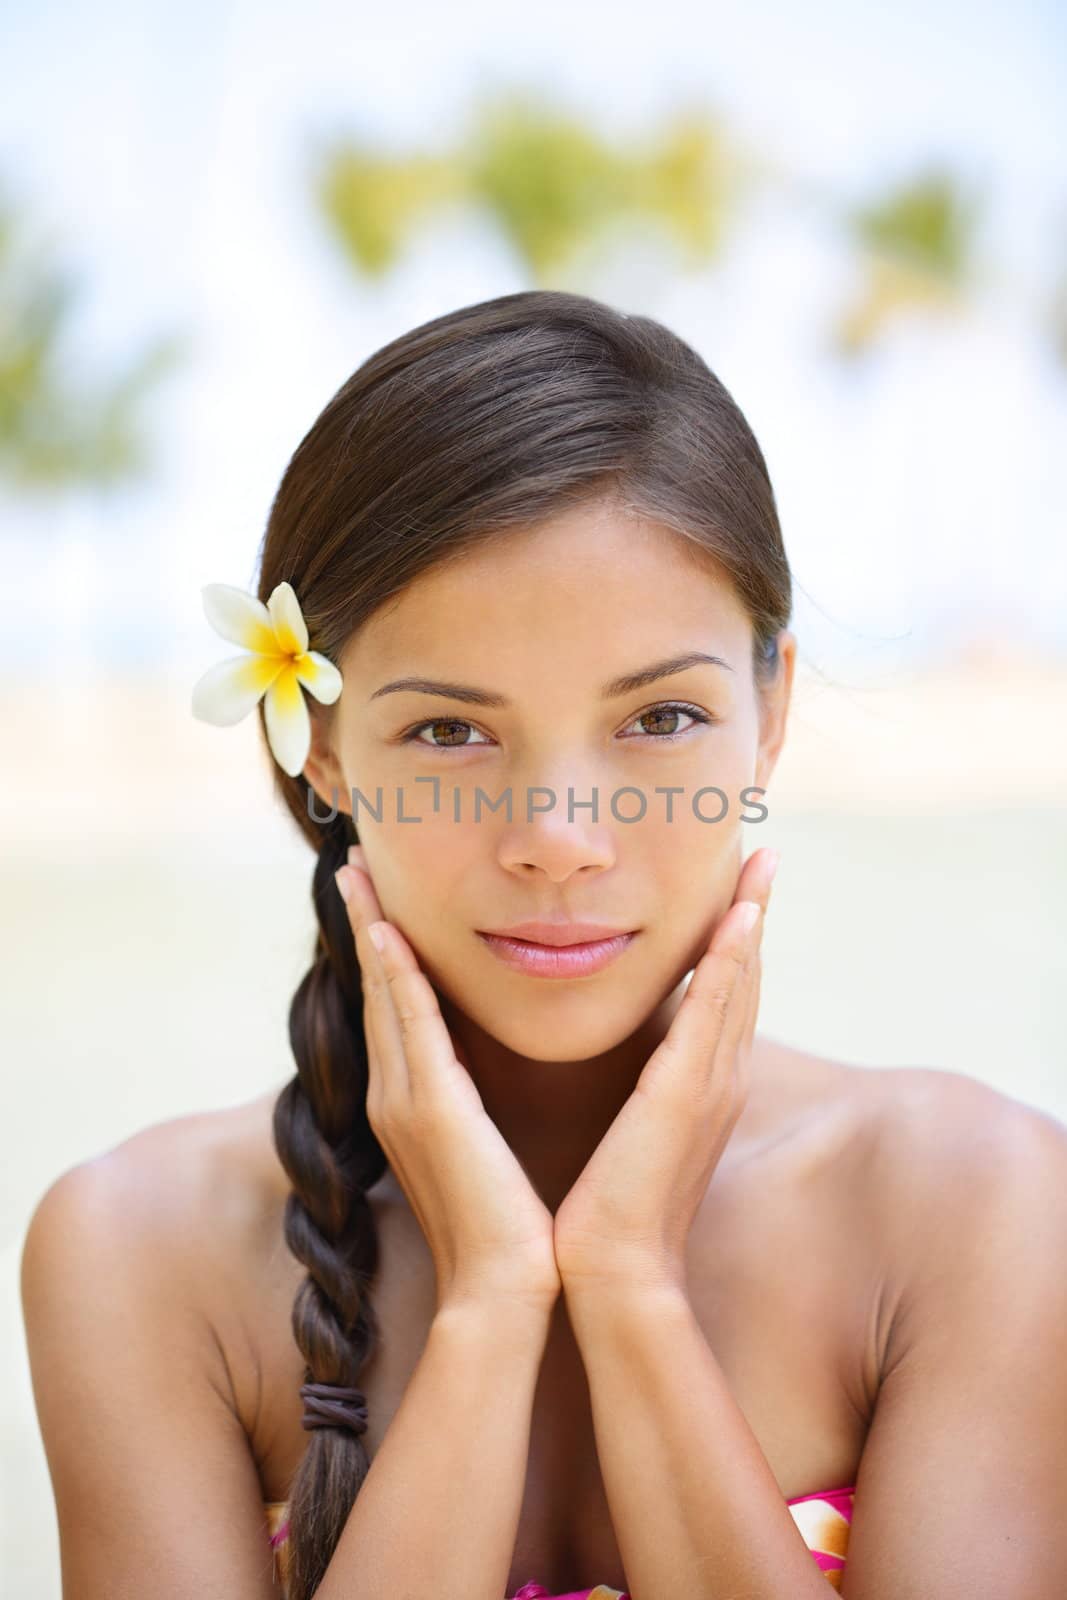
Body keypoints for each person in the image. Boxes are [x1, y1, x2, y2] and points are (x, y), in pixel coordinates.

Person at [20, 290, 1067, 1600]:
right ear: (326, 749)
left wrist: (631, 1287)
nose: (561, 836)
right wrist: (489, 1307)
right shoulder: (138, 1253)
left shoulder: (978, 1210)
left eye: (661, 717)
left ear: (771, 711)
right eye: (451, 731)